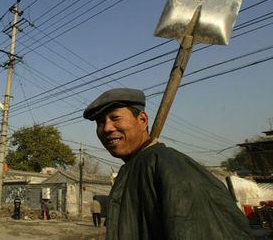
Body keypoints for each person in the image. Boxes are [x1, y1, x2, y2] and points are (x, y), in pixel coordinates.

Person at [83, 88, 252, 239]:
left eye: (115, 118)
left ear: (142, 120)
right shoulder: (131, 169)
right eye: (100, 123)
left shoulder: (171, 168)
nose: (107, 128)